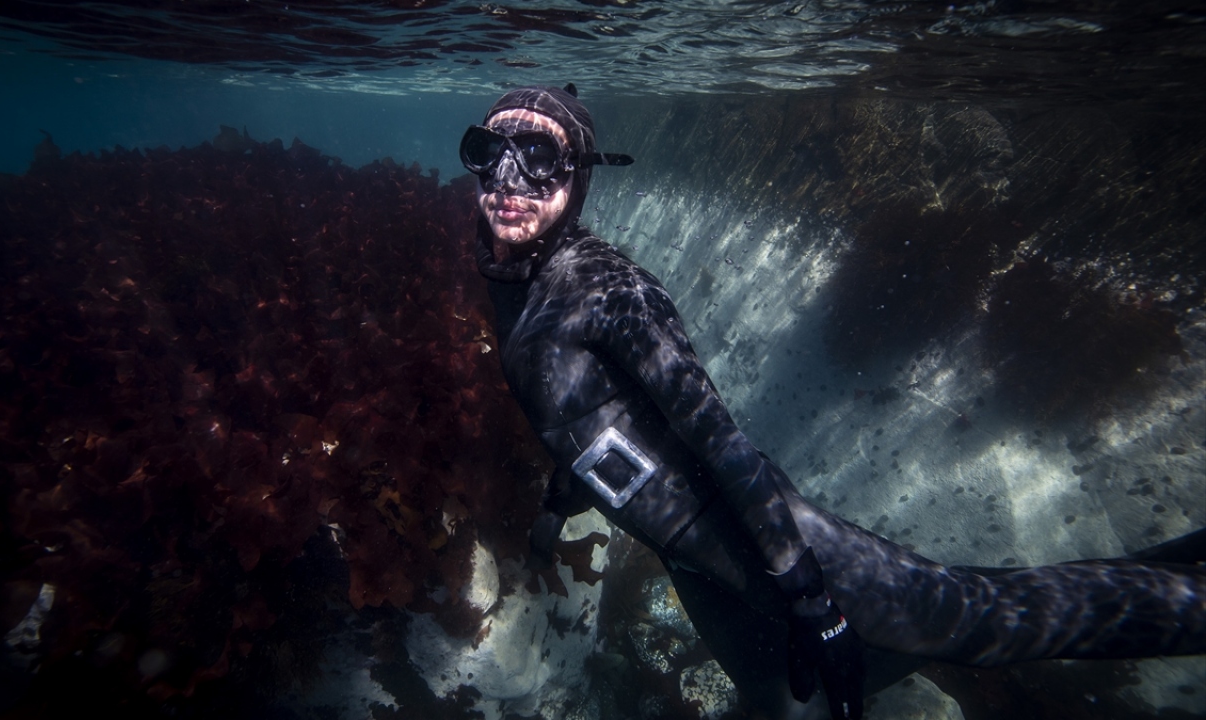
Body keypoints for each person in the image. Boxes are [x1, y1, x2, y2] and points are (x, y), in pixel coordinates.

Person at [459, 84, 1206, 720]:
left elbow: (723, 445)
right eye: (490, 150)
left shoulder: (612, 293)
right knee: (778, 698)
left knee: (981, 622)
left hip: (768, 544)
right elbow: (589, 415)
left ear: (580, 176)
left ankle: (1181, 602)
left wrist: (812, 599)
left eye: (542, 157)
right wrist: (558, 506)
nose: (509, 179)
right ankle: (1168, 567)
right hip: (691, 558)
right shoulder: (516, 280)